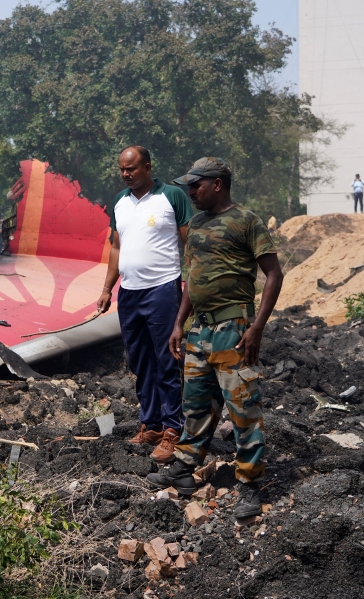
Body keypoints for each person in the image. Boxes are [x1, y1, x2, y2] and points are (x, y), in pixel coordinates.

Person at [146, 157, 284, 520]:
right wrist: (180, 322)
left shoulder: (246, 221)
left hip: (233, 330)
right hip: (199, 331)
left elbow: (273, 274)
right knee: (196, 403)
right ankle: (185, 468)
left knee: (242, 408)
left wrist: (257, 327)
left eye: (196, 185)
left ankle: (249, 483)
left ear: (217, 184)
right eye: (189, 186)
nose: (190, 192)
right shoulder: (196, 225)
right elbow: (193, 279)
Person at [96, 145, 192, 463]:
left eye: (132, 168)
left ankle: (172, 430)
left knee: (166, 361)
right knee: (140, 362)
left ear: (147, 167)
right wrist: (108, 288)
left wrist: (192, 281)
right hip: (130, 292)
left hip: (162, 289)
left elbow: (188, 242)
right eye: (122, 169)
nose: (125, 174)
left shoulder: (172, 197)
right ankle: (150, 424)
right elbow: (115, 249)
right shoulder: (120, 203)